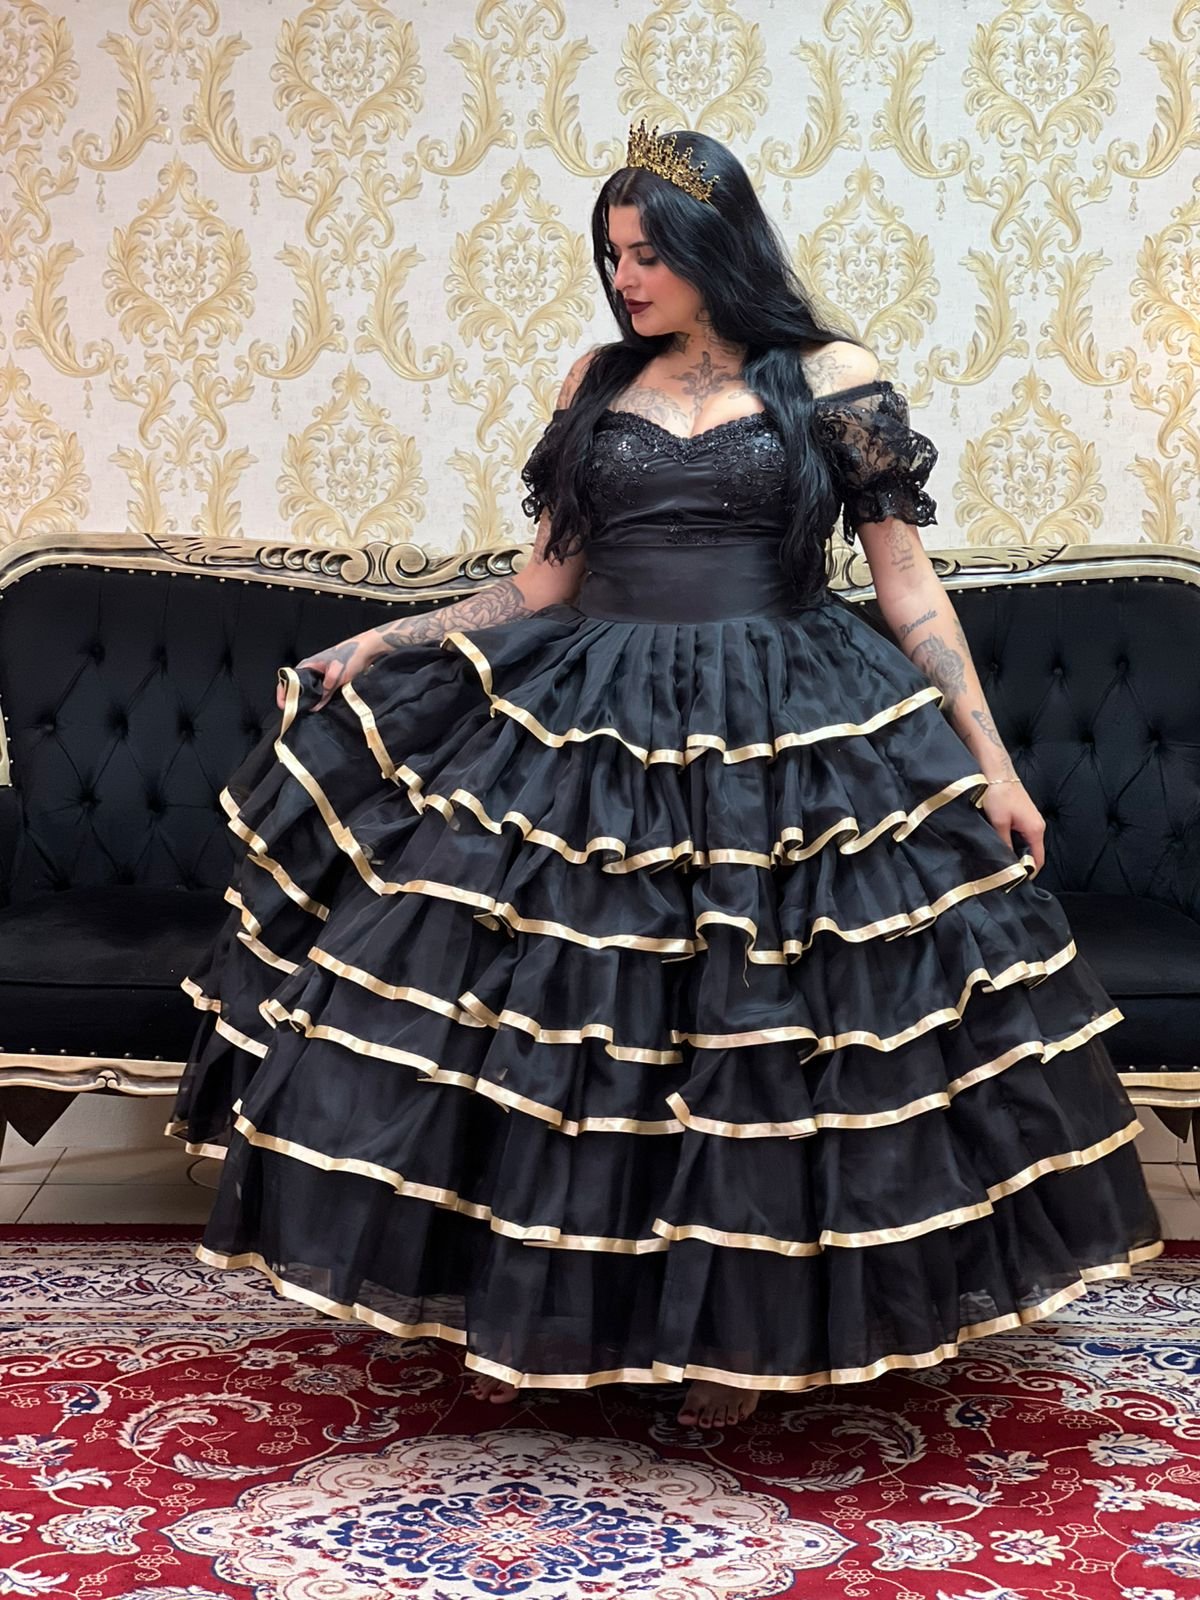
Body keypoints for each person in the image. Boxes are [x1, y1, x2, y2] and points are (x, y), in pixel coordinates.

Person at [169, 122, 1162, 1431]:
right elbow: (541, 584)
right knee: (586, 1029)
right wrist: (381, 641)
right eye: (612, 253)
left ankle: (735, 1340)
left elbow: (908, 588)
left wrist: (992, 765)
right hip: (596, 724)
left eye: (648, 254)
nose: (624, 277)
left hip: (789, 724)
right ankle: (606, 1317)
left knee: (759, 1032)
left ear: (716, 246)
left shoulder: (830, 377)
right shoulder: (595, 380)